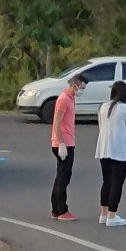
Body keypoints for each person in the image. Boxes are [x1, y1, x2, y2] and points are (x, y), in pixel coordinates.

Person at [95, 80, 126, 227]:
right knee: (117, 183)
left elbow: (101, 127)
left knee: (106, 181)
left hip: (104, 149)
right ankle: (112, 215)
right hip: (120, 151)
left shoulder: (103, 107)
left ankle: (103, 214)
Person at [50, 74, 88, 221]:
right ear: (75, 85)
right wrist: (60, 143)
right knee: (63, 177)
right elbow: (57, 122)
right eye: (82, 87)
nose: (82, 91)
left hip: (68, 141)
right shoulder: (64, 99)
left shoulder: (72, 99)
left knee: (63, 175)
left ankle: (56, 209)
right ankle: (61, 210)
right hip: (63, 143)